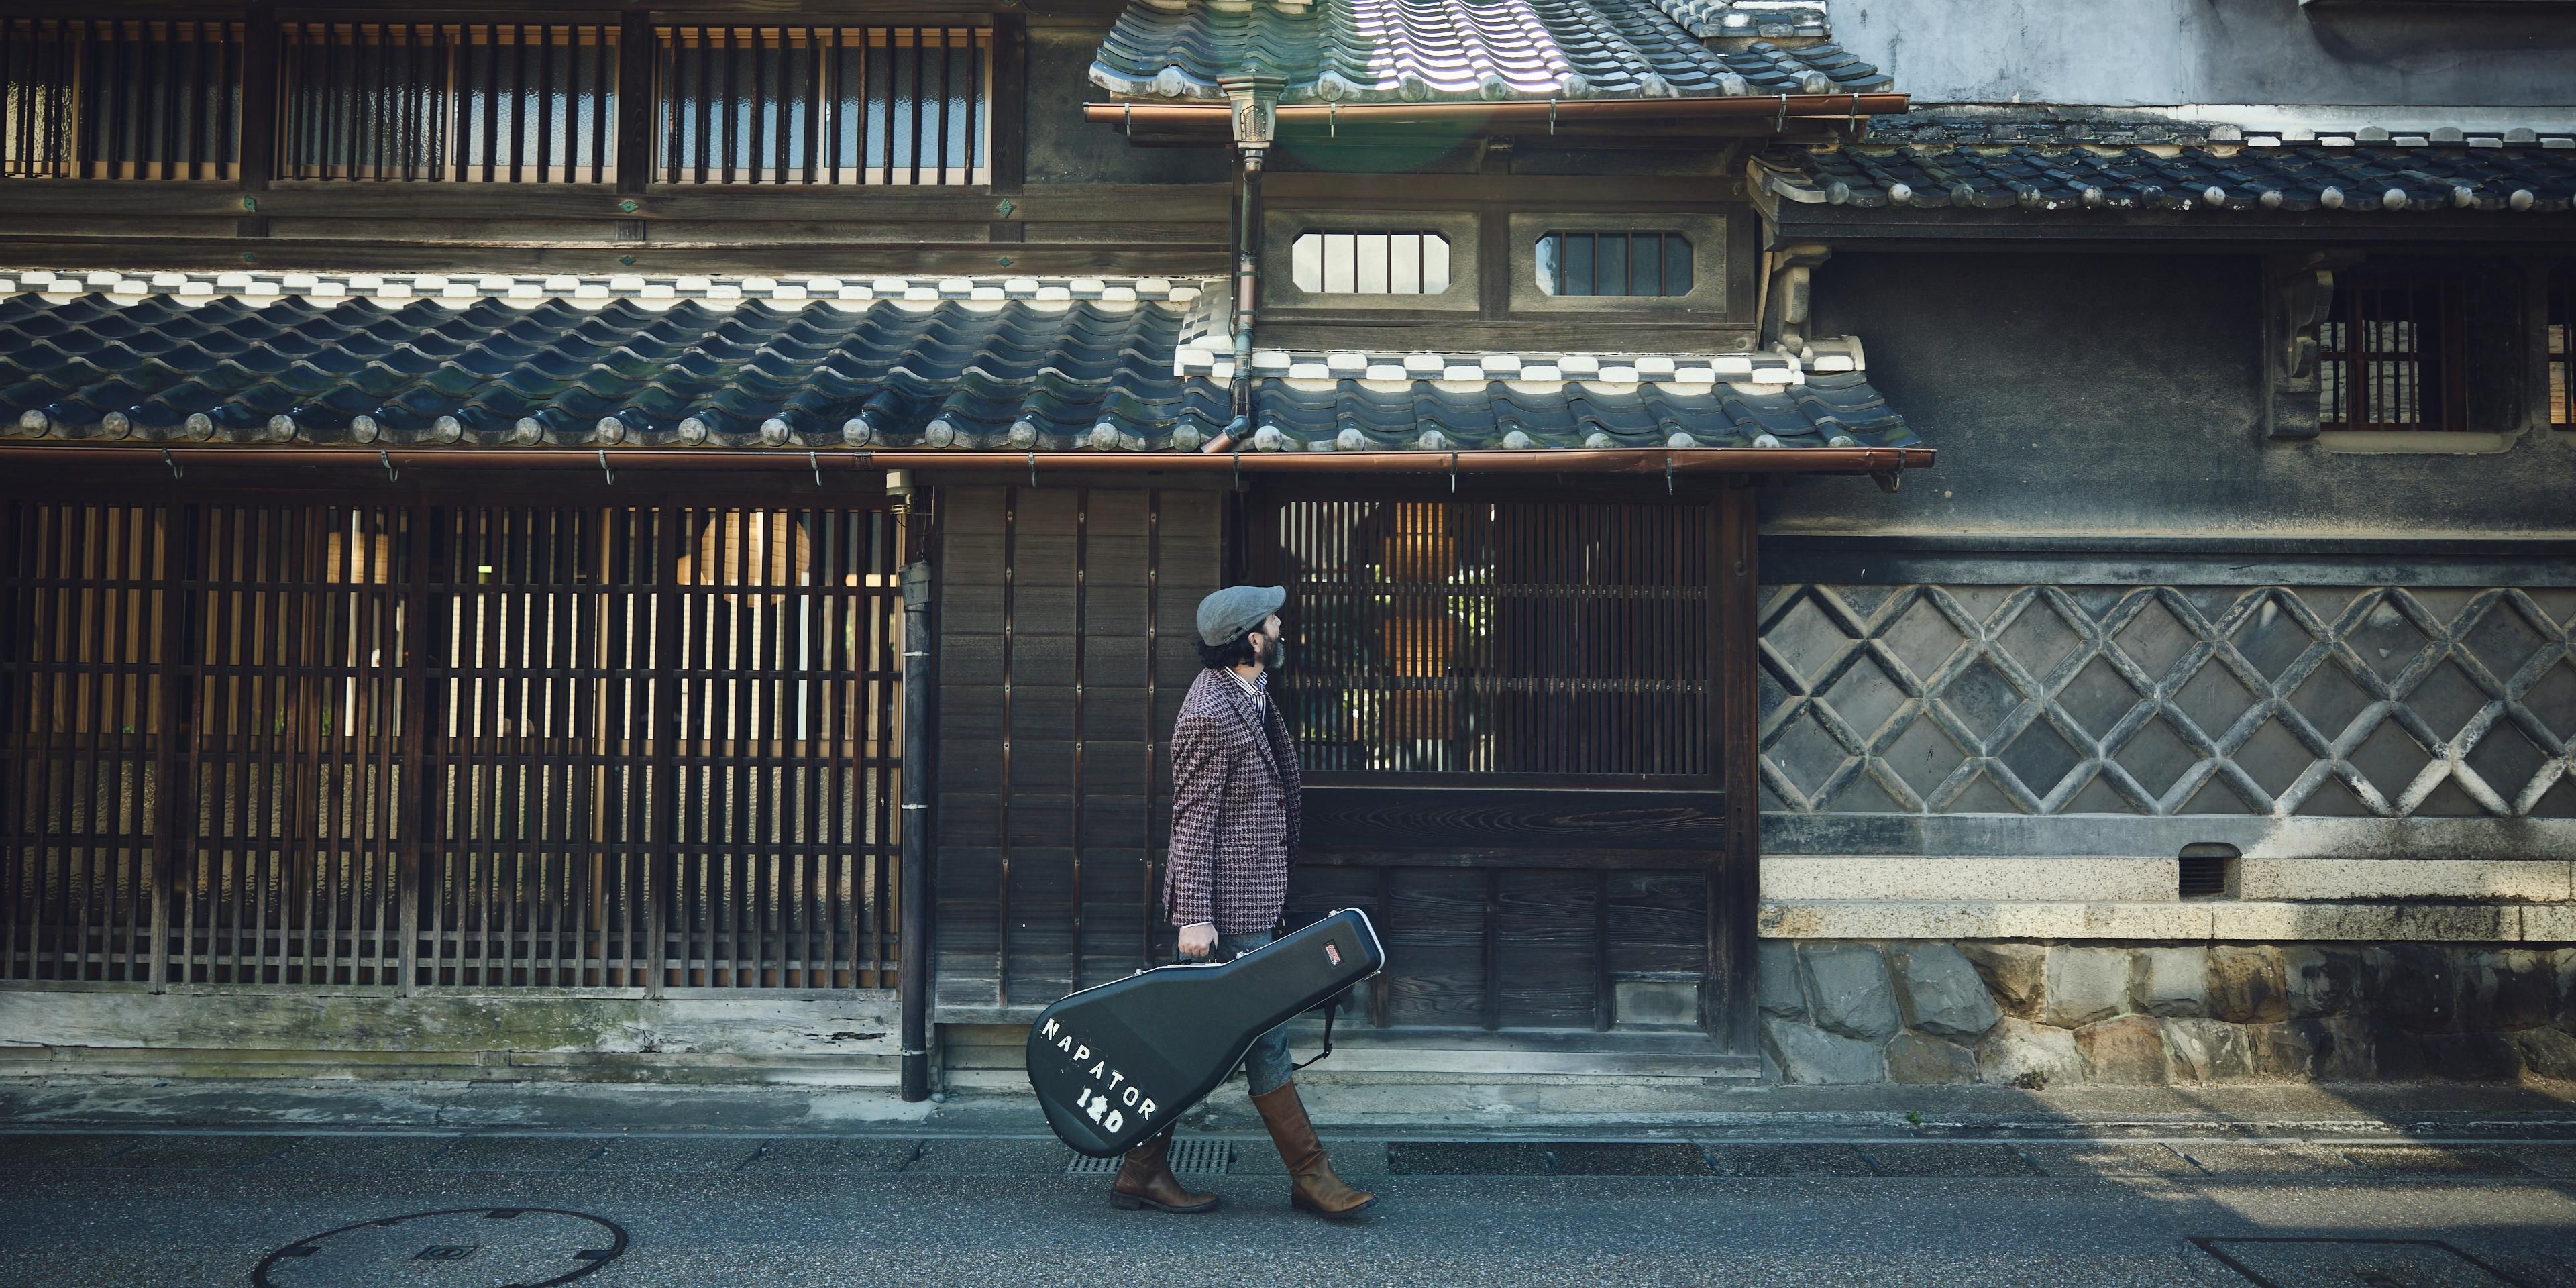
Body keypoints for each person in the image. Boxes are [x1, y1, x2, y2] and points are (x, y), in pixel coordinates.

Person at [1109, 584, 1377, 1220]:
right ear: (1252, 640)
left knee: (1198, 1039)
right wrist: (1195, 916)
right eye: (1273, 621)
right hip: (1227, 910)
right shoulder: (1210, 712)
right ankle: (1311, 1177)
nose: (1282, 627)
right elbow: (1193, 820)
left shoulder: (1249, 694)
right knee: (1262, 1037)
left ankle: (1141, 1170)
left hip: (1253, 897)